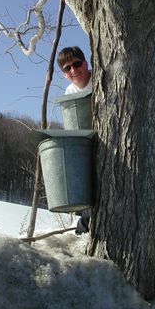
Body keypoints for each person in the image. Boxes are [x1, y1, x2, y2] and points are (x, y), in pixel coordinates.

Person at [57, 46, 92, 235]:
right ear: (63, 74)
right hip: (85, 146)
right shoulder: (69, 92)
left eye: (77, 64)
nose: (73, 70)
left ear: (85, 63)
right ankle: (83, 227)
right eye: (67, 68)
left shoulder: (99, 81)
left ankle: (84, 228)